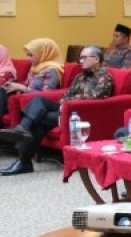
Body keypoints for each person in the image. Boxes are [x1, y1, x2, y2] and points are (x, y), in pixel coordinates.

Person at [0, 46, 112, 176]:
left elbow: (94, 97)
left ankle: (24, 161)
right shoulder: (80, 76)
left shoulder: (104, 77)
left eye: (84, 58)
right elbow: (67, 93)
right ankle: (23, 129)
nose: (80, 61)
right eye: (80, 58)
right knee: (39, 100)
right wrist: (64, 102)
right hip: (65, 108)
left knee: (39, 120)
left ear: (96, 59)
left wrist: (67, 103)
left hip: (78, 113)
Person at [1, 38, 64, 127]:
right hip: (23, 98)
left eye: (31, 55)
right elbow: (27, 85)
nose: (28, 58)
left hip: (33, 103)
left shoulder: (52, 70)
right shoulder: (35, 67)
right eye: (27, 55)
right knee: (2, 90)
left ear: (42, 54)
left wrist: (23, 88)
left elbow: (46, 95)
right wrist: (14, 87)